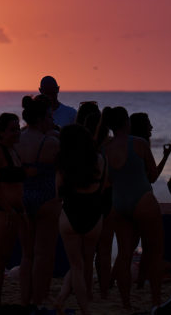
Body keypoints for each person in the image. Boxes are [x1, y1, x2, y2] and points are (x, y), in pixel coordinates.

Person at [100, 106, 163, 309]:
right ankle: (156, 300)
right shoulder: (139, 143)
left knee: (125, 255)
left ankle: (126, 304)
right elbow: (152, 176)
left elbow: (107, 181)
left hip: (119, 203)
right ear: (127, 122)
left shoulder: (105, 148)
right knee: (153, 252)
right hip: (142, 199)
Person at [54, 124, 107, 315]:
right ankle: (74, 303)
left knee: (76, 265)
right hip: (93, 212)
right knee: (84, 261)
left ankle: (81, 307)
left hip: (70, 212)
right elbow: (102, 188)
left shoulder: (63, 162)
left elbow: (58, 193)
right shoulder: (99, 159)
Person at [17, 95, 60, 308]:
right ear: (42, 117)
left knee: (27, 254)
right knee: (43, 254)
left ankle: (25, 300)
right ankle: (39, 299)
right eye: (49, 116)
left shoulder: (18, 139)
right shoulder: (51, 142)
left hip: (23, 196)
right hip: (46, 198)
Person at [0, 113, 27, 306]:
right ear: (1, 132)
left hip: (14, 212)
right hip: (0, 212)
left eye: (18, 128)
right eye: (12, 129)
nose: (17, 132)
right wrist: (9, 209)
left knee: (4, 260)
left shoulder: (14, 151)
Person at [130, 112, 171, 177]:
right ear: (142, 127)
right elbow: (152, 177)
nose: (151, 127)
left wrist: (165, 156)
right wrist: (165, 157)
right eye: (148, 124)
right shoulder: (142, 146)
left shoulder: (127, 147)